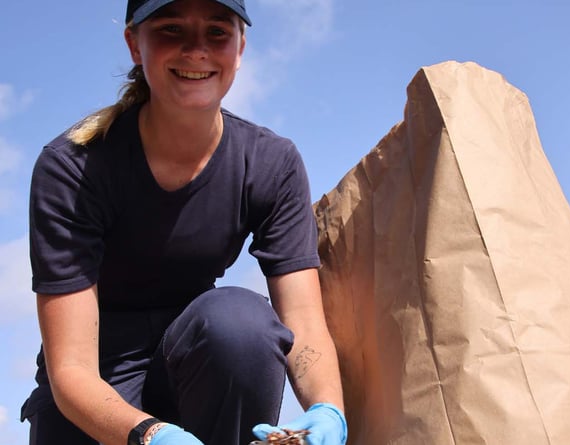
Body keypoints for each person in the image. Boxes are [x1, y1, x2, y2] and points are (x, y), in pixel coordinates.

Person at [21, 1, 347, 444]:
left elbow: (305, 322)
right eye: (172, 29)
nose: (196, 51)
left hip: (191, 373)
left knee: (240, 322)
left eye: (217, 32)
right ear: (134, 43)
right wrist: (149, 435)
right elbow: (71, 369)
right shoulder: (73, 169)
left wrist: (328, 409)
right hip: (93, 399)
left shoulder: (273, 163)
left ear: (241, 46)